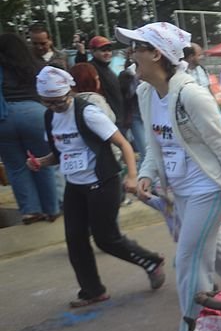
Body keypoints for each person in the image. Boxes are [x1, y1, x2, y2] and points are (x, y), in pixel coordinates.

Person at [116, 22, 221, 331]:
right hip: (177, 191)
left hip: (209, 189)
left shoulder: (192, 95)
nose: (130, 53)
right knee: (220, 257)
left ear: (156, 53)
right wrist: (148, 173)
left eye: (136, 47)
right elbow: (153, 144)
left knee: (189, 259)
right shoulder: (147, 93)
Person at [28, 66, 165, 307]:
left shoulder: (88, 113)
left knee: (106, 238)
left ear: (70, 92)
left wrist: (132, 176)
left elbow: (124, 144)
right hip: (76, 185)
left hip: (103, 182)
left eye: (59, 102)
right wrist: (40, 162)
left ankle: (151, 261)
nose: (54, 108)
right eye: (48, 103)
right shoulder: (49, 117)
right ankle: (92, 290)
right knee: (75, 239)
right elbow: (60, 152)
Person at [0, 32, 61, 224]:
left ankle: (30, 211)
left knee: (16, 167)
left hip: (3, 117)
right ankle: (52, 209)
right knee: (43, 163)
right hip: (35, 114)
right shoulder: (35, 65)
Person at [73, 36, 127, 130]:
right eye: (103, 50)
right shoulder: (92, 67)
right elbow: (81, 70)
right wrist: (81, 53)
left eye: (109, 50)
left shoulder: (107, 68)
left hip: (118, 119)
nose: (107, 53)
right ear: (93, 52)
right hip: (108, 121)